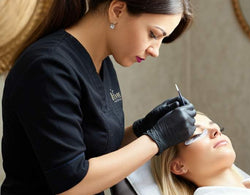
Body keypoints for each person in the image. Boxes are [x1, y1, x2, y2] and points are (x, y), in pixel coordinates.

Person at [1, 0, 196, 194]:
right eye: (153, 34)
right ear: (117, 10)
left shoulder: (102, 64)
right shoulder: (49, 67)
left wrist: (144, 128)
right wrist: (157, 138)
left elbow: (97, 148)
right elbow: (72, 184)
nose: (155, 51)